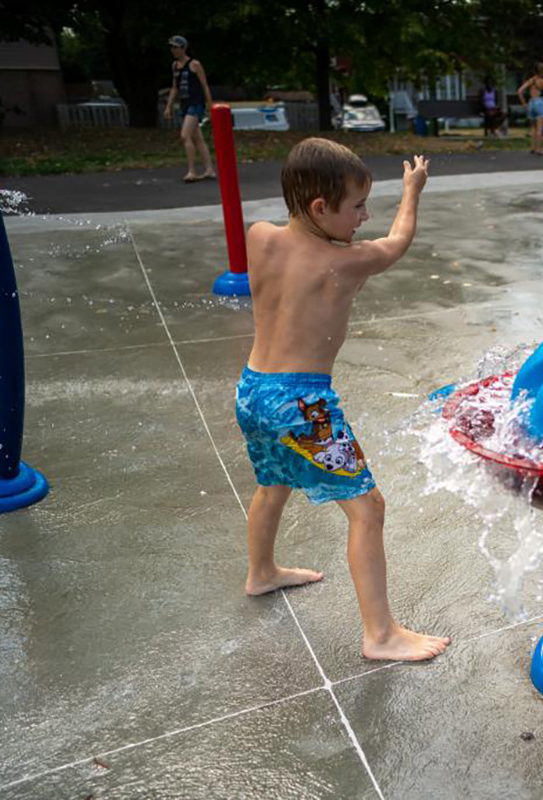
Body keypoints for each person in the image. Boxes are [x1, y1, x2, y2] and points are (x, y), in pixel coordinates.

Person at [235, 138, 450, 662]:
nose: (363, 217)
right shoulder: (346, 262)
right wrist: (411, 191)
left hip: (252, 390)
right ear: (319, 208)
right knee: (368, 508)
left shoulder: (258, 236)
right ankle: (381, 634)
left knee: (275, 482)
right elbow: (398, 241)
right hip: (303, 407)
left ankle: (261, 572)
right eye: (356, 207)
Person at [162, 35, 216, 183]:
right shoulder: (175, 66)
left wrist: (210, 106)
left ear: (183, 48)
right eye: (171, 47)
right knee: (197, 138)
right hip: (184, 103)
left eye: (176, 47)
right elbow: (175, 87)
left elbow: (204, 85)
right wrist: (169, 106)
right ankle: (209, 168)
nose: (173, 50)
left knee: (185, 135)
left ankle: (191, 170)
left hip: (195, 103)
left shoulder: (194, 64)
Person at [517, 63, 543, 155]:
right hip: (539, 102)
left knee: (533, 127)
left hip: (531, 102)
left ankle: (532, 147)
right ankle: (539, 149)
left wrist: (524, 103)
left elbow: (520, 91)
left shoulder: (530, 80)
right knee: (540, 128)